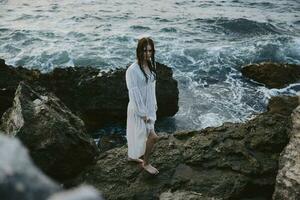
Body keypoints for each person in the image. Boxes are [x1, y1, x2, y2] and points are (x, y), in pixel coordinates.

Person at [125, 37, 159, 175]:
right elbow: (134, 93)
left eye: (150, 51)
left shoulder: (149, 65)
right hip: (138, 109)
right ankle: (146, 163)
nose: (148, 54)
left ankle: (132, 156)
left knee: (138, 136)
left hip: (149, 107)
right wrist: (142, 113)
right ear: (139, 50)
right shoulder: (132, 70)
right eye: (145, 50)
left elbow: (151, 88)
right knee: (152, 137)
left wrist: (154, 104)